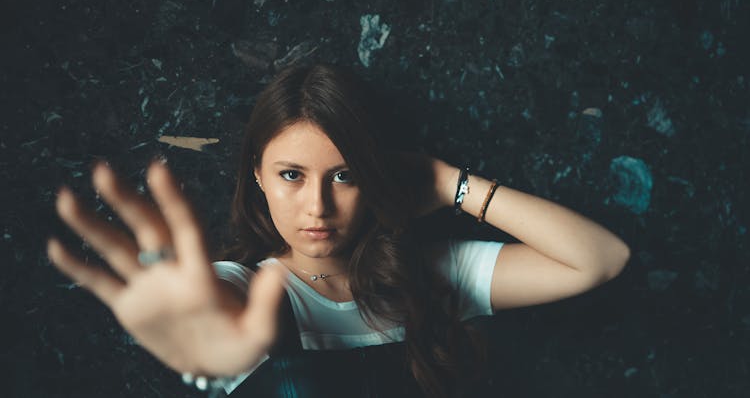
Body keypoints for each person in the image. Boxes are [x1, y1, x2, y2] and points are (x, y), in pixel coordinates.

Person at [47, 63, 631, 397]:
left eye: (344, 175)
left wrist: (452, 184)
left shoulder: (431, 275)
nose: (317, 205)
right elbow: (223, 308)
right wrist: (202, 322)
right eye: (292, 175)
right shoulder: (250, 290)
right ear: (258, 177)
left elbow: (600, 258)